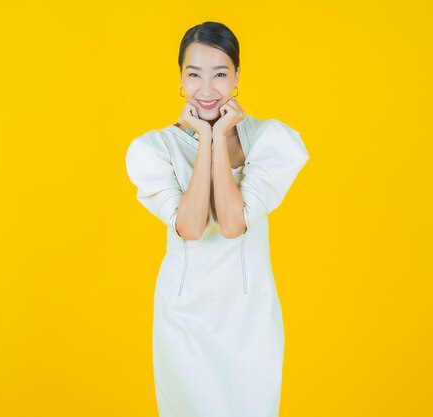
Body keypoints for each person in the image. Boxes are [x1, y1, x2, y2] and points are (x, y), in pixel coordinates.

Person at [125, 21, 309, 417]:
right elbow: (190, 228)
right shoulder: (153, 148)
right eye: (194, 75)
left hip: (250, 318)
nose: (206, 89)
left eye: (220, 74)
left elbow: (232, 224)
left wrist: (222, 136)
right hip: (184, 320)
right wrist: (207, 139)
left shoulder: (270, 140)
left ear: (238, 76)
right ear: (180, 78)